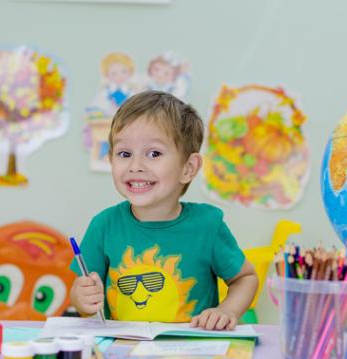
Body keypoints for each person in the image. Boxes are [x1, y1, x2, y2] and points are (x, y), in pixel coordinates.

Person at [70, 91, 258, 330]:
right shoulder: (104, 225)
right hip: (123, 354)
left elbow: (245, 278)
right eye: (124, 154)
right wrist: (82, 299)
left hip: (189, 356)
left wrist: (226, 310)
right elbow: (81, 295)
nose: (135, 166)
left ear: (188, 168)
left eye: (154, 154)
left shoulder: (208, 225)